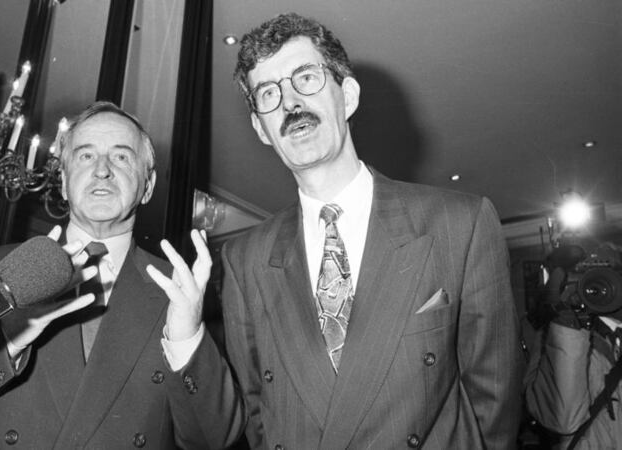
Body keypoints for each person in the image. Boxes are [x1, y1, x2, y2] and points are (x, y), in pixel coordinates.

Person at [158, 12, 524, 449]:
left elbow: (493, 408)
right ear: (261, 128)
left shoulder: (459, 224)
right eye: (268, 94)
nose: (290, 103)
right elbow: (257, 415)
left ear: (347, 95)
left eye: (306, 78)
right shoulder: (245, 258)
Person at [0, 101, 243, 449]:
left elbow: (214, 440)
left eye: (122, 157)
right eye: (85, 156)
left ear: (148, 186)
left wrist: (187, 339)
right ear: (62, 181)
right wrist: (9, 340)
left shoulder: (182, 290)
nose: (102, 170)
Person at [525, 243, 622, 449]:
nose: (595, 288)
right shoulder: (550, 339)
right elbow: (564, 419)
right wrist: (567, 323)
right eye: (584, 278)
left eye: (608, 275)